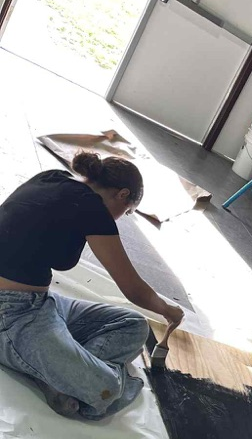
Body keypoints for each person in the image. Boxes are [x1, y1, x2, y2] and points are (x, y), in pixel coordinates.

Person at [0, 153, 183, 420]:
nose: (122, 217)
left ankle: (57, 374)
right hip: (11, 315)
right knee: (106, 390)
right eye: (128, 211)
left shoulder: (52, 177)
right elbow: (132, 288)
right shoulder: (93, 209)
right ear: (122, 194)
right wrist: (168, 310)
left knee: (134, 325)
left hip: (40, 304)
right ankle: (65, 375)